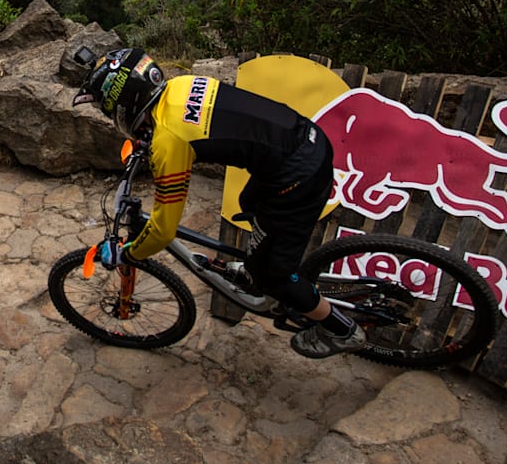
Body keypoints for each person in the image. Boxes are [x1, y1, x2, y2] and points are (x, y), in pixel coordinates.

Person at [72, 47, 366, 358]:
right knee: (248, 201)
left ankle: (342, 329)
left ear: (125, 104)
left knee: (275, 278)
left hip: (297, 176)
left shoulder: (170, 141)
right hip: (303, 139)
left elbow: (163, 231)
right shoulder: (181, 85)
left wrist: (129, 254)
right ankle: (262, 259)